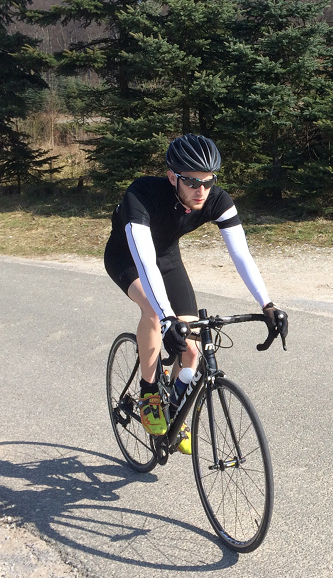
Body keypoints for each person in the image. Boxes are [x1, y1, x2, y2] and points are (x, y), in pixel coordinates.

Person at [103, 134, 287, 453]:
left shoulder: (216, 200)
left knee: (191, 347)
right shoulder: (141, 195)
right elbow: (144, 261)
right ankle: (149, 394)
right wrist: (166, 319)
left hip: (167, 258)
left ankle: (175, 412)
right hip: (128, 258)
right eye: (191, 182)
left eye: (208, 181)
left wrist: (267, 304)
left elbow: (241, 255)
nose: (201, 190)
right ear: (172, 177)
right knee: (153, 311)